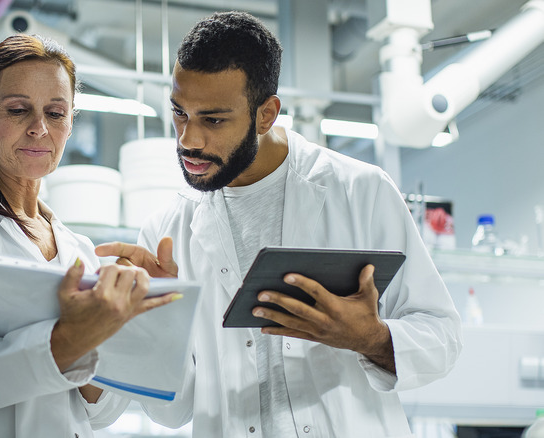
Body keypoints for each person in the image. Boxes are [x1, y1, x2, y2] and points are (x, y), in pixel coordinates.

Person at [96, 11, 462, 438]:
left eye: (213, 120)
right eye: (180, 113)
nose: (188, 139)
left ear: (266, 114)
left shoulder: (360, 191)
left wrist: (372, 337)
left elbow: (443, 337)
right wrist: (162, 325)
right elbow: (173, 412)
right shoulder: (167, 233)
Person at [0, 34, 175, 437]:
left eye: (56, 113)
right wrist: (74, 336)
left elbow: (96, 412)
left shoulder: (79, 251)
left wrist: (135, 317)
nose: (39, 128)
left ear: (71, 120)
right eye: (19, 110)